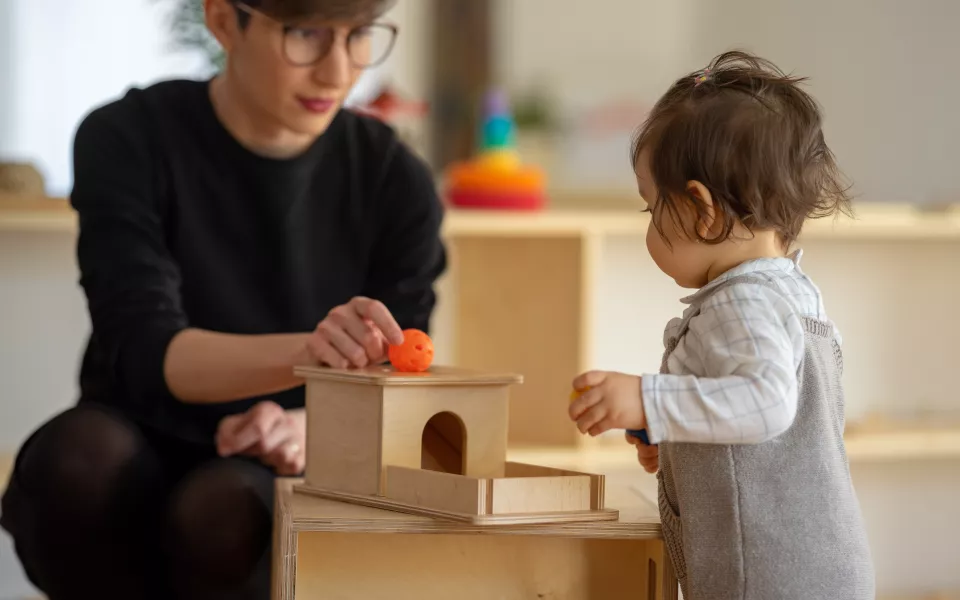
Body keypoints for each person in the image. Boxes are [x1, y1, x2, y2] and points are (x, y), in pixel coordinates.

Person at [0, 0, 446, 598]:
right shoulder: (128, 136)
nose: (339, 71)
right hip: (135, 437)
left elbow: (401, 373)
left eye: (359, 35)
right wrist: (312, 352)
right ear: (221, 20)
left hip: (281, 456)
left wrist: (312, 424)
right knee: (76, 463)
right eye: (304, 33)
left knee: (227, 509)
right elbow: (144, 346)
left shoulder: (395, 179)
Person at [567, 51, 875, 599]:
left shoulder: (744, 303)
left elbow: (768, 404)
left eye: (650, 206)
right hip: (813, 568)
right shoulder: (792, 292)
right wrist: (679, 437)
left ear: (701, 210)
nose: (648, 224)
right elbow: (772, 434)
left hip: (771, 577)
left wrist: (649, 400)